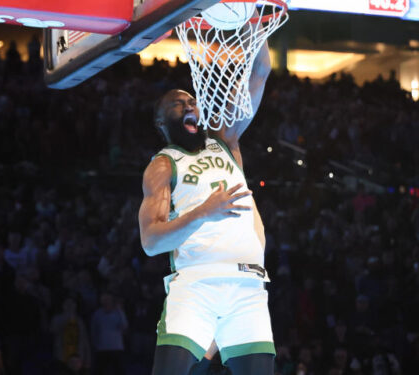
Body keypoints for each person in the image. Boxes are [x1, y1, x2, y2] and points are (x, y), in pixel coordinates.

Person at [138, 36, 274, 375]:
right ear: (161, 123)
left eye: (190, 101)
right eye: (176, 105)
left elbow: (261, 69)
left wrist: (254, 21)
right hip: (197, 285)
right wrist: (203, 212)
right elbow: (151, 242)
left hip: (249, 286)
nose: (188, 106)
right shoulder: (163, 165)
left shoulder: (225, 139)